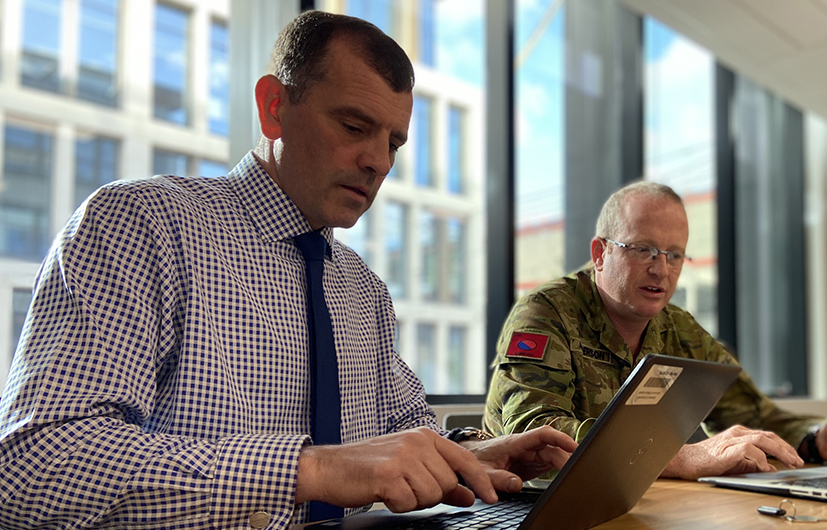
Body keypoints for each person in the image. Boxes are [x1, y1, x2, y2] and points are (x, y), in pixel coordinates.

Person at [0, 11, 576, 528]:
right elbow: (32, 469)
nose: (378, 161)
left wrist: (471, 455)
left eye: (394, 142)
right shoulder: (141, 224)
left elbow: (401, 431)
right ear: (274, 108)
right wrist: (311, 470)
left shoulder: (362, 289)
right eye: (354, 127)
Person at [484, 181, 827, 480]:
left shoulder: (678, 328)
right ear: (600, 253)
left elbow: (751, 414)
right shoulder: (544, 313)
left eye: (675, 254)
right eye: (643, 249)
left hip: (641, 504)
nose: (662, 269)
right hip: (527, 509)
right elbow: (535, 433)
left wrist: (817, 437)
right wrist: (678, 456)